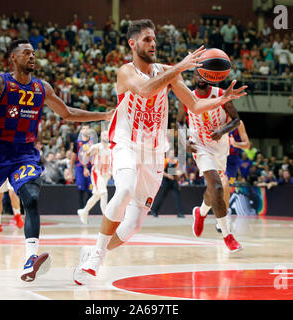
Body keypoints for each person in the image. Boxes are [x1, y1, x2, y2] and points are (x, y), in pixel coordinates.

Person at [73, 19, 246, 285]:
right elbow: (144, 89)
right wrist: (178, 67)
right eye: (146, 40)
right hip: (126, 144)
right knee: (125, 188)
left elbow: (195, 105)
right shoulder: (125, 72)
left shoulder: (168, 72)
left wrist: (222, 99)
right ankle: (97, 256)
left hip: (153, 152)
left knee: (132, 226)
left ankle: (93, 252)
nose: (152, 44)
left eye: (154, 40)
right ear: (132, 44)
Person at [0, 39, 112, 283]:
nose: (32, 56)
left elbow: (68, 113)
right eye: (27, 53)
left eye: (34, 53)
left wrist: (104, 114)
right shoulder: (1, 82)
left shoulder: (42, 88)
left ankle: (30, 258)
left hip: (25, 153)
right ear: (13, 57)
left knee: (30, 198)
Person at [177, 69, 245, 251]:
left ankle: (200, 212)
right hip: (200, 147)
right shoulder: (187, 97)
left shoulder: (221, 95)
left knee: (212, 190)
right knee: (217, 187)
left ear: (210, 77)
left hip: (220, 148)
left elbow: (237, 120)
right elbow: (179, 122)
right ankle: (227, 235)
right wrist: (184, 142)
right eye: (197, 75)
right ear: (193, 78)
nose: (200, 78)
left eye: (203, 75)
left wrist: (222, 131)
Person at [77, 130, 112, 224]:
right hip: (97, 173)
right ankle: (106, 217)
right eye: (104, 134)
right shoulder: (96, 147)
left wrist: (112, 172)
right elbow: (86, 155)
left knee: (97, 195)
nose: (106, 136)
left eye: (107, 135)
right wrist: (85, 168)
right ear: (101, 137)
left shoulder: (111, 148)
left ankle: (84, 211)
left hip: (106, 174)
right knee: (104, 192)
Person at [149, 149, 184, 218]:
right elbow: (161, 171)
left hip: (173, 180)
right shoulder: (165, 161)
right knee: (162, 196)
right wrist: (168, 175)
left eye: (173, 153)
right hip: (166, 180)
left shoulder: (175, 162)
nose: (172, 155)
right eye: (171, 153)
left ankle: (180, 213)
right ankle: (154, 211)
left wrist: (178, 180)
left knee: (177, 197)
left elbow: (175, 171)